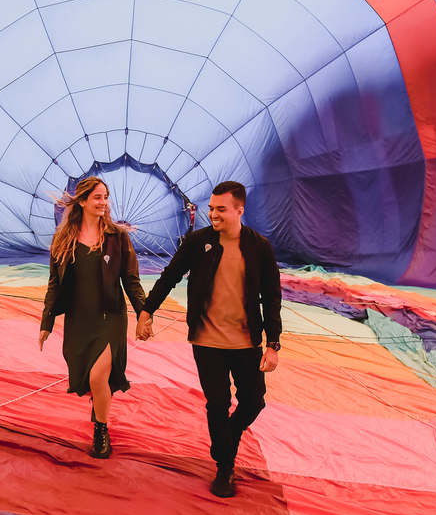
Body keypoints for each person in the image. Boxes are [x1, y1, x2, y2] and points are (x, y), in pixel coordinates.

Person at [136, 181, 281, 498]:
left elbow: (272, 297)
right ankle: (225, 468)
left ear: (239, 211)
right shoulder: (198, 241)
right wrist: (147, 311)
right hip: (207, 340)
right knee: (218, 403)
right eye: (211, 208)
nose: (213, 214)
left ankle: (227, 436)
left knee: (254, 402)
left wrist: (273, 344)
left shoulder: (259, 247)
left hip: (246, 342)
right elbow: (170, 275)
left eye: (221, 210)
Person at [40, 177, 146, 459]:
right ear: (83, 201)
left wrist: (144, 314)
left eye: (106, 197)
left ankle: (101, 429)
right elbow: (54, 282)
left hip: (110, 317)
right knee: (91, 377)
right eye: (97, 197)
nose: (103, 202)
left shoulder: (117, 237)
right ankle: (100, 405)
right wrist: (46, 322)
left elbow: (131, 281)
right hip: (79, 319)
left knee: (100, 376)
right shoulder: (63, 239)